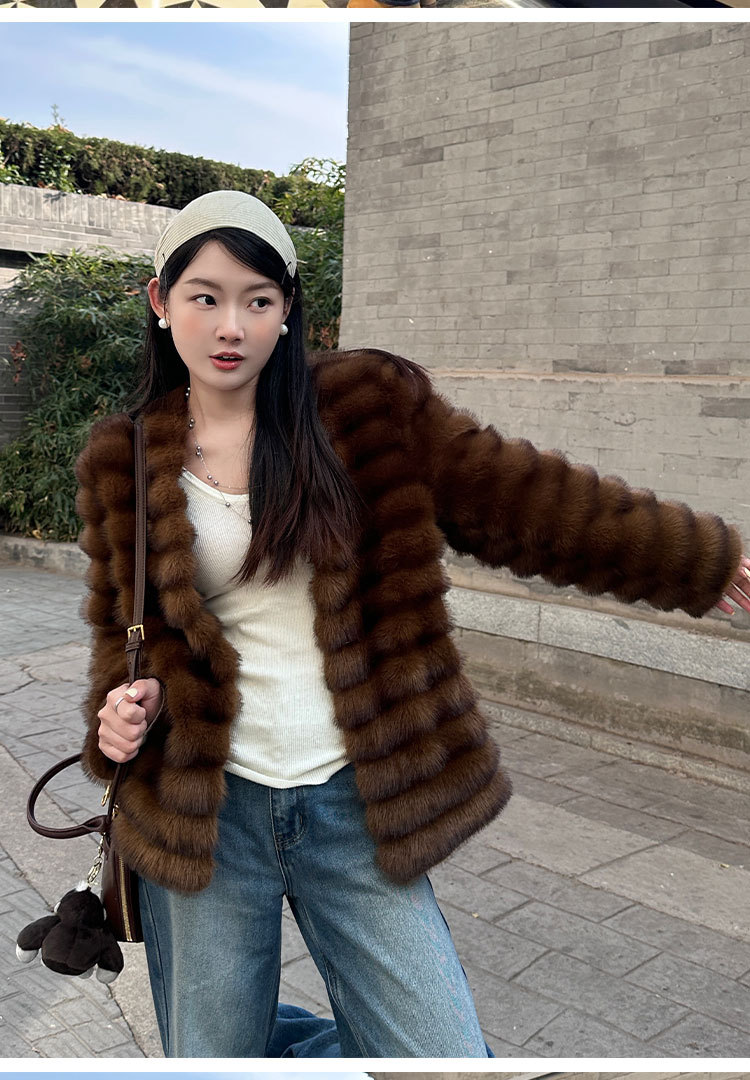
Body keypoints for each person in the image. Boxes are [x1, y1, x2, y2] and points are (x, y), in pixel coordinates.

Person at [74, 189, 750, 1059]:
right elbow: (121, 640)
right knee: (217, 1060)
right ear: (162, 302)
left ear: (288, 309)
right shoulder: (123, 456)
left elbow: (524, 498)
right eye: (205, 297)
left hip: (353, 802)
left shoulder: (366, 412)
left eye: (259, 300)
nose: (231, 326)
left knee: (443, 1059)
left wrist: (699, 559)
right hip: (207, 816)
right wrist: (120, 715)